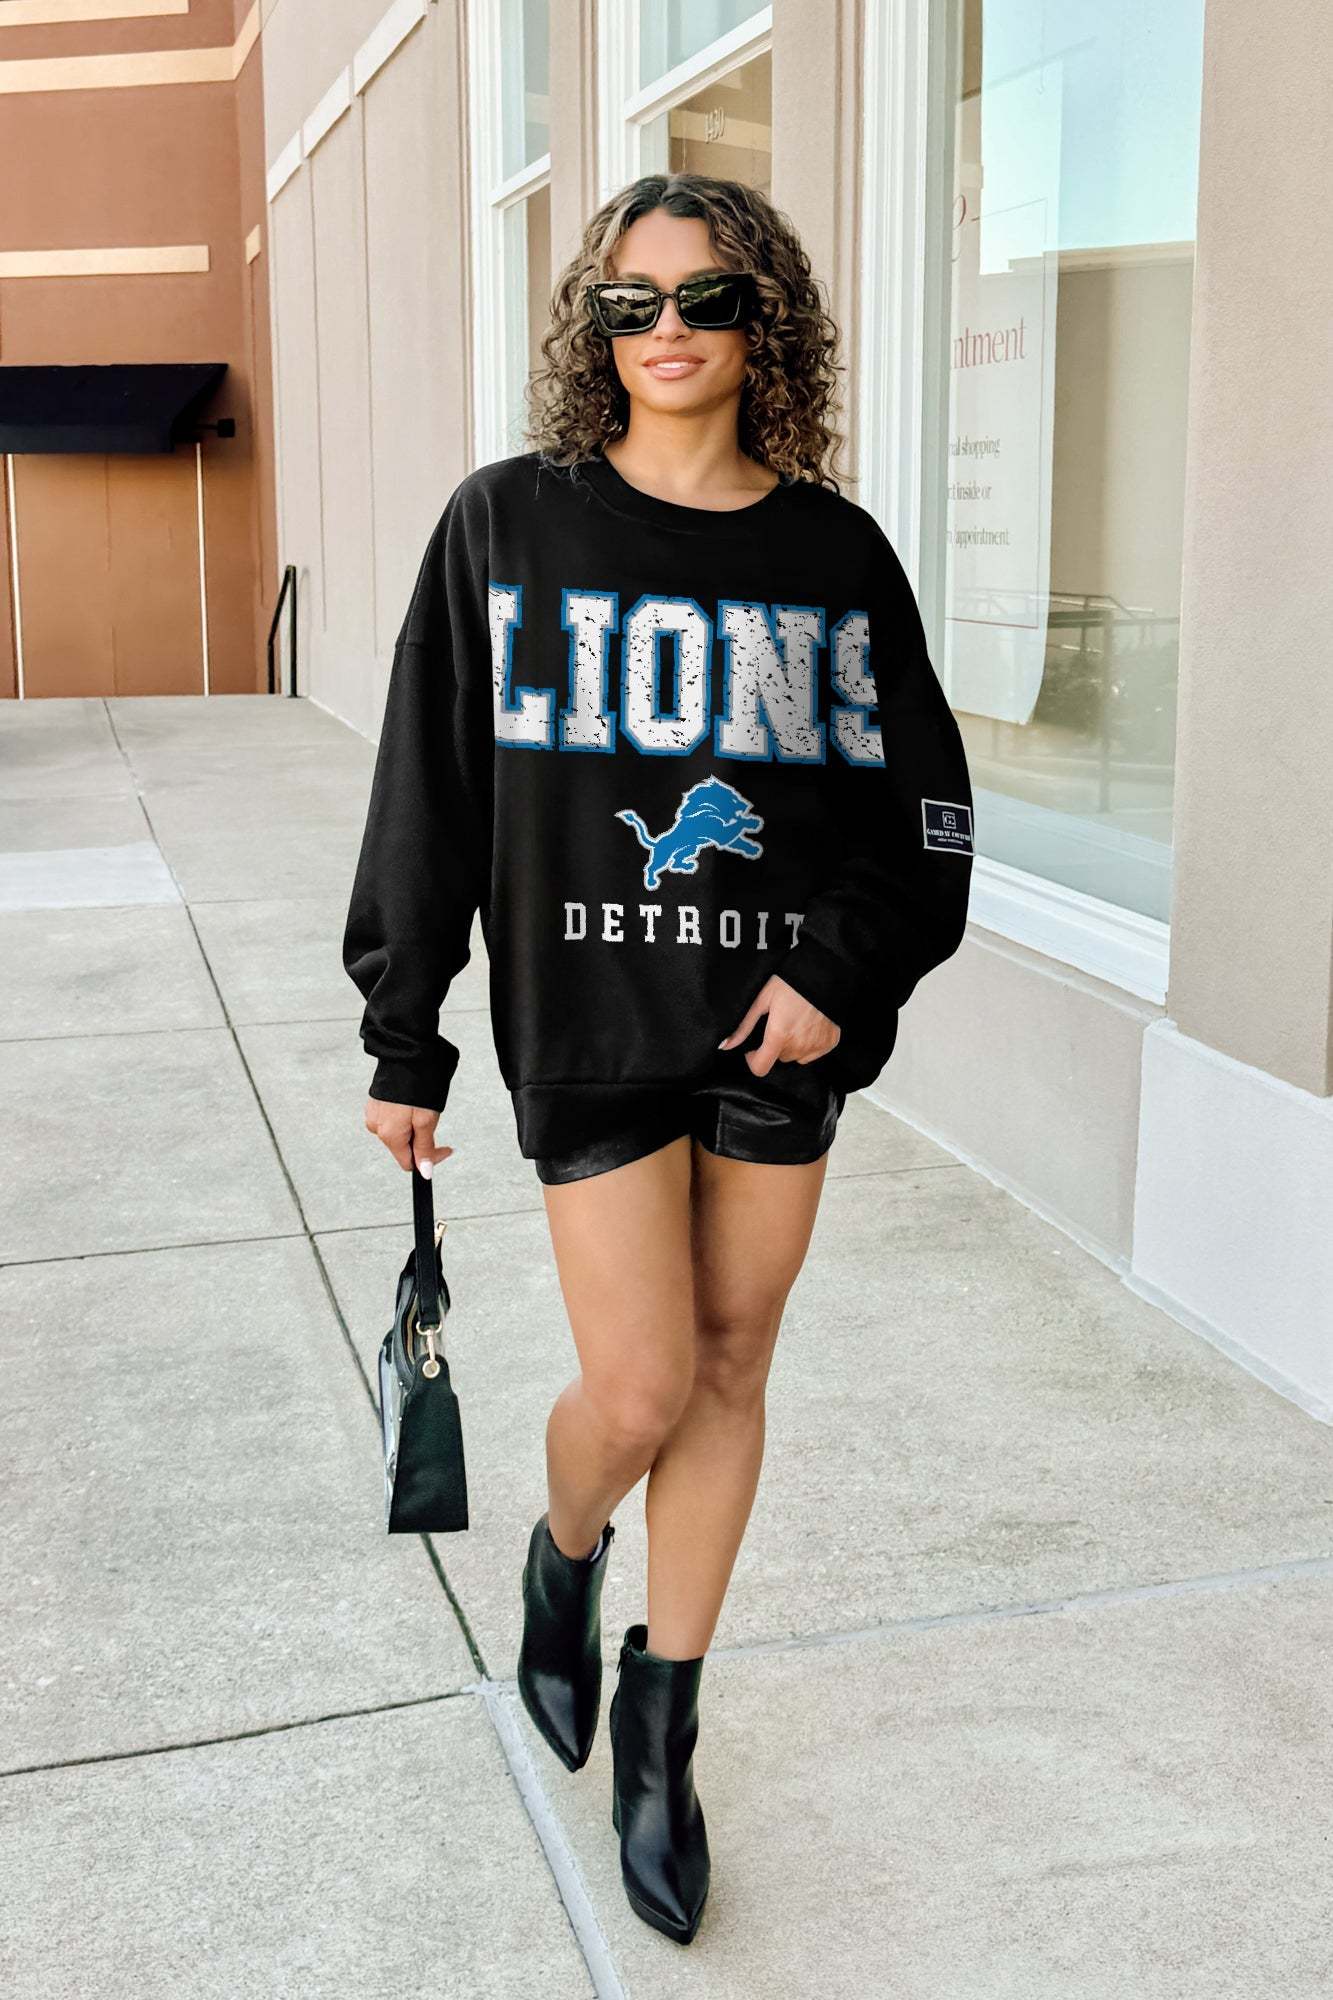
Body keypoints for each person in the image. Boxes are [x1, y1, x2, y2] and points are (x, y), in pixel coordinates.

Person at [342, 171, 974, 1947]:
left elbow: (918, 813)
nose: (668, 330)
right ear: (593, 329)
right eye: (631, 303)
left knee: (730, 1364)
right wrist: (405, 1027)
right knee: (634, 1390)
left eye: (706, 298)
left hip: (777, 1036)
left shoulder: (834, 556)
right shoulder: (506, 525)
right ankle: (563, 1556)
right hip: (591, 1021)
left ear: (765, 324)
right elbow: (428, 793)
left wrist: (837, 976)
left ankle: (662, 1727)